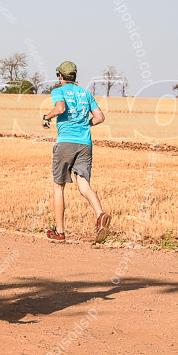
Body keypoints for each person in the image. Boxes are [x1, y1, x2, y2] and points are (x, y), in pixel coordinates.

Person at [42, 61, 111, 243]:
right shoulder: (86, 93)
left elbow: (60, 109)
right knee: (84, 185)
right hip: (85, 144)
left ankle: (60, 232)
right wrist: (85, 125)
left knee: (59, 186)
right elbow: (100, 117)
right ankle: (100, 215)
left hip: (66, 142)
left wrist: (46, 117)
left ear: (60, 76)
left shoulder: (59, 91)